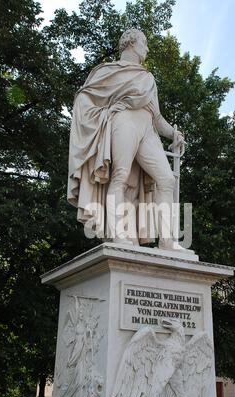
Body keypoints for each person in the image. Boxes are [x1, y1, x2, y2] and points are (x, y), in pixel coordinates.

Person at [68, 29, 185, 250]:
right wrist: (106, 114)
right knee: (120, 176)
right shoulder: (106, 71)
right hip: (124, 121)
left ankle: (168, 241)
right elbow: (84, 98)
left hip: (147, 127)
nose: (147, 48)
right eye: (145, 42)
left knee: (167, 180)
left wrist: (173, 133)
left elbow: (157, 117)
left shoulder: (147, 78)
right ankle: (118, 233)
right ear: (131, 43)